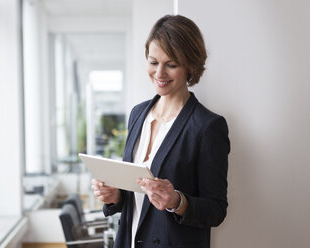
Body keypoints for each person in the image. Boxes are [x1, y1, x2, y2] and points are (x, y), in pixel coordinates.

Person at [91, 14, 230, 248]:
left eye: (171, 64)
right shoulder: (138, 114)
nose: (159, 73)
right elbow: (136, 199)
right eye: (153, 62)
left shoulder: (207, 126)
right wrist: (115, 196)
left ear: (191, 66)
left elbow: (216, 210)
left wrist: (177, 201)